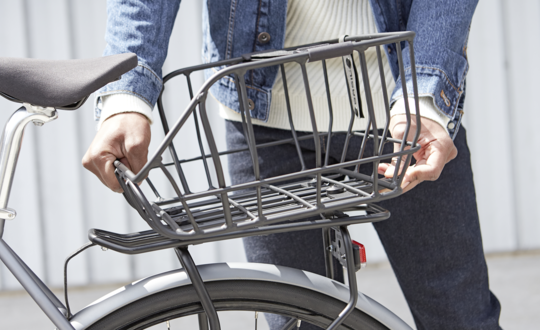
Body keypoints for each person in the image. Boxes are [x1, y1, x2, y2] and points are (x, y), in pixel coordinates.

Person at [83, 0, 502, 329]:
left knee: (460, 318)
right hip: (263, 121)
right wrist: (128, 96)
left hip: (402, 121)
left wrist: (426, 95)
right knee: (299, 321)